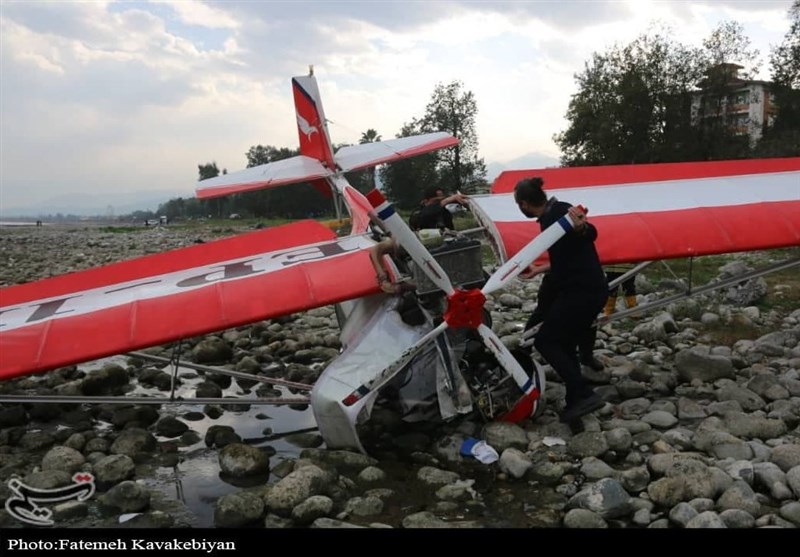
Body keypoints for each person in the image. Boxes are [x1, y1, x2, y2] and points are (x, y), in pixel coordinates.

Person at [514, 176, 608, 423]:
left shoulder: (558, 213)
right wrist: (539, 269)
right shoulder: (552, 213)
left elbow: (589, 232)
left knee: (546, 341)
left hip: (583, 292)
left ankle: (584, 394)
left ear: (524, 203)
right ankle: (574, 399)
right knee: (565, 344)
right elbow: (566, 257)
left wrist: (583, 227)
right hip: (590, 289)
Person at [523, 269, 604, 372]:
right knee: (543, 312)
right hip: (556, 275)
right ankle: (523, 351)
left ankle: (586, 355)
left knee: (589, 314)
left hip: (585, 276)